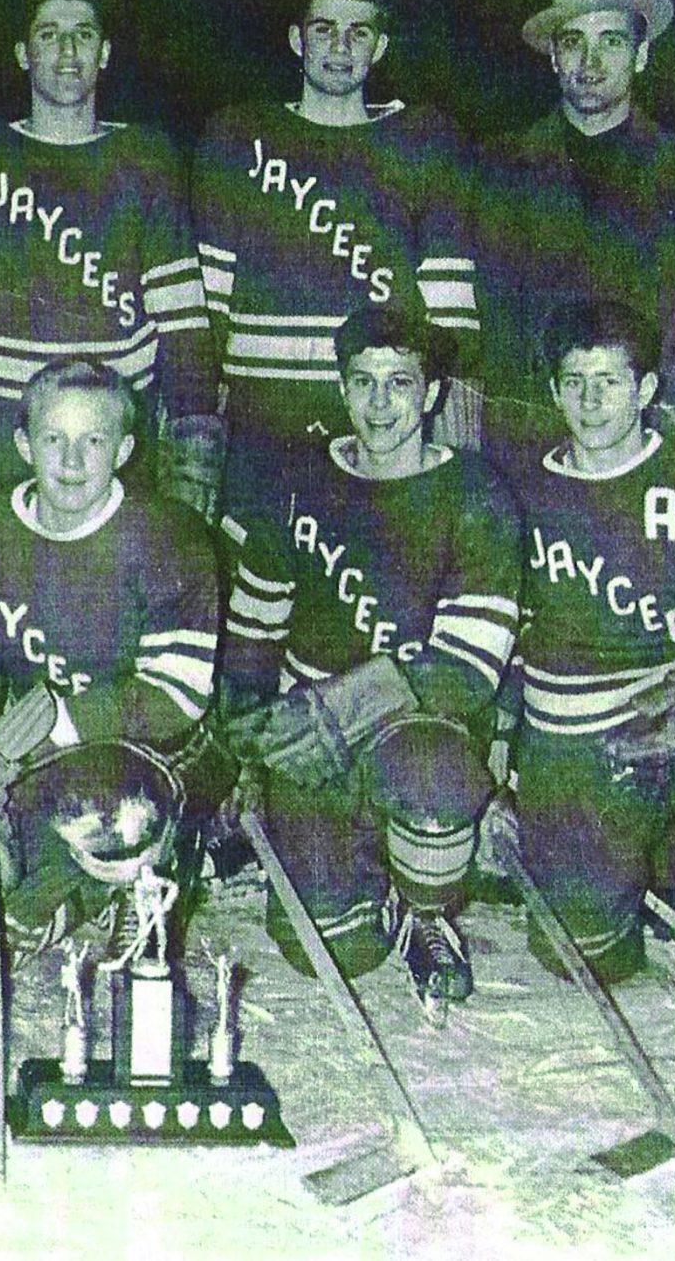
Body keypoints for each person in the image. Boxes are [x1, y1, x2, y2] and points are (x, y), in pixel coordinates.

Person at [498, 298, 675, 1035]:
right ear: (553, 390)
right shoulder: (519, 491)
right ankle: (653, 882)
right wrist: (498, 764)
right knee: (581, 955)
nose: (592, 401)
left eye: (612, 381)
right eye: (575, 381)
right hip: (579, 738)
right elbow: (496, 641)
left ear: (648, 390)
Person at [220, 304, 522, 1016]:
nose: (381, 404)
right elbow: (254, 635)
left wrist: (344, 703)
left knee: (437, 778)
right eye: (364, 383)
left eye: (400, 383)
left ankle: (428, 908)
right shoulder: (299, 479)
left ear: (433, 393)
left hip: (411, 723)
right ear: (342, 387)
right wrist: (247, 750)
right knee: (326, 947)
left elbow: (469, 671)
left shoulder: (476, 492)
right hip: (308, 730)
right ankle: (368, 870)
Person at [0, 359, 220, 983]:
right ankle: (67, 889)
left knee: (118, 807)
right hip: (34, 751)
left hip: (147, 753)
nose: (71, 462)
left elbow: (174, 698)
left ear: (123, 449)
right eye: (53, 440)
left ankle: (126, 877)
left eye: (92, 441)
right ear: (23, 443)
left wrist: (36, 733)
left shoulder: (171, 538)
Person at [0, 0, 219, 516]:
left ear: (105, 52)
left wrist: (191, 463)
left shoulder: (146, 160)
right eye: (49, 35)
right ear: (23, 54)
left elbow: (185, 330)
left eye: (83, 35)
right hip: (2, 438)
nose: (68, 52)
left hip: (114, 446)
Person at [191, 0, 479, 524]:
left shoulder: (424, 142)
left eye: (358, 32)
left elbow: (450, 318)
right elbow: (207, 314)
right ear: (298, 39)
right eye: (325, 30)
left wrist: (444, 443)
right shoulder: (238, 137)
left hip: (381, 428)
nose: (341, 48)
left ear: (380, 47)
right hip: (263, 432)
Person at [475, 0, 675, 420]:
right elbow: (488, 329)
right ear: (554, 58)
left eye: (611, 41)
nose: (590, 63)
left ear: (641, 55)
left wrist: (647, 426)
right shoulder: (498, 173)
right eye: (574, 42)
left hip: (660, 442)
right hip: (534, 444)